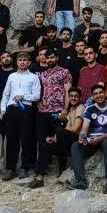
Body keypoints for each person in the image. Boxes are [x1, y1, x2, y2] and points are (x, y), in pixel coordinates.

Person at [33, 49, 72, 188]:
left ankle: (62, 171)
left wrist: (66, 108)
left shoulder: (64, 72)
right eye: (47, 58)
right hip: (43, 112)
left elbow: (68, 90)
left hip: (58, 111)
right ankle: (40, 175)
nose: (49, 60)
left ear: (56, 58)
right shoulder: (42, 74)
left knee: (59, 140)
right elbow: (40, 91)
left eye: (51, 57)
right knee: (43, 142)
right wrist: (38, 103)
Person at [0, 52, 41, 182]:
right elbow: (6, 94)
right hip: (12, 110)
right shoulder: (12, 76)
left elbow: (37, 96)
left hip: (26, 110)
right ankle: (11, 168)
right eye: (20, 60)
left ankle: (24, 167)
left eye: (25, 60)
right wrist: (3, 109)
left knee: (26, 138)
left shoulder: (34, 77)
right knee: (11, 139)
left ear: (29, 62)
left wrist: (23, 97)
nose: (22, 62)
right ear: (16, 62)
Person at [72, 83, 107, 192]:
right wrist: (82, 136)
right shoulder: (90, 108)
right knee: (76, 146)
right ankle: (80, 181)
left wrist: (100, 138)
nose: (98, 95)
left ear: (105, 93)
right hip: (92, 139)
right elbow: (85, 127)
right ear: (93, 97)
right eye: (95, 94)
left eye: (100, 92)